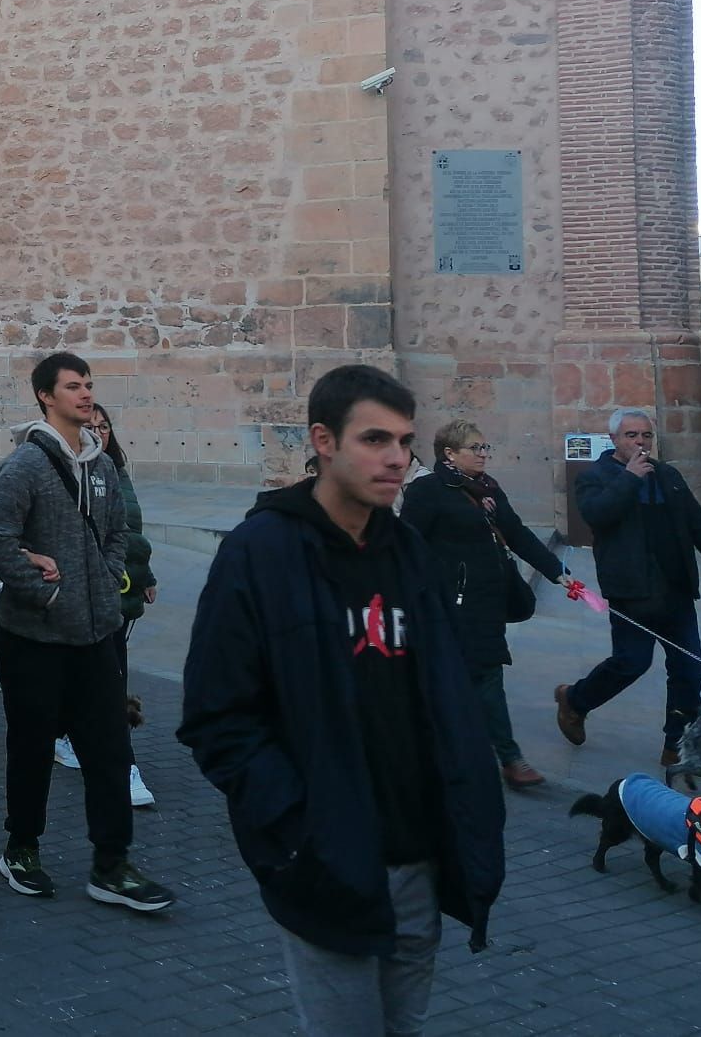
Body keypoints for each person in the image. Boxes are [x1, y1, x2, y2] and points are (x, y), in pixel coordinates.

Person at [179, 365, 503, 1037]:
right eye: (375, 439)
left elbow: (444, 695)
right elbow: (217, 716)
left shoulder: (408, 552)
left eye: (405, 441)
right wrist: (299, 828)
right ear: (323, 441)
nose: (396, 458)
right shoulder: (260, 554)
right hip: (327, 859)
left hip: (420, 857)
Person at [0, 354, 174, 913]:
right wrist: (45, 594)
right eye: (73, 386)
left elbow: (116, 534)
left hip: (95, 636)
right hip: (34, 637)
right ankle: (21, 849)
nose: (86, 394)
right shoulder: (25, 465)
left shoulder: (102, 465)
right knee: (32, 749)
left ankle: (112, 864)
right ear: (46, 396)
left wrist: (107, 583)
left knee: (108, 749)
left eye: (88, 385)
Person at [554, 406, 701, 767]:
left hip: (675, 590)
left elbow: (699, 524)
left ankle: (677, 746)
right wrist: (629, 478)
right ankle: (575, 700)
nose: (640, 442)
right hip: (631, 592)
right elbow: (597, 515)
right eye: (631, 435)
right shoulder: (595, 477)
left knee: (689, 670)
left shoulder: (668, 476)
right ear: (614, 439)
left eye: (646, 435)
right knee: (631, 663)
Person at [401, 420, 567, 790]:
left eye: (484, 447)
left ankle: (500, 756)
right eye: (474, 448)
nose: (483, 454)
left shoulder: (488, 488)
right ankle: (497, 756)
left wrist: (557, 572)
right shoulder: (428, 490)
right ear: (449, 453)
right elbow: (409, 544)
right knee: (468, 678)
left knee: (485, 673)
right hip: (449, 604)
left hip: (488, 601)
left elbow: (518, 533)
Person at [88, 402, 156, 808]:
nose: (99, 432)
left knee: (113, 675)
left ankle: (119, 760)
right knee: (104, 678)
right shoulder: (74, 470)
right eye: (91, 426)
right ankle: (119, 762)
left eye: (104, 426)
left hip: (119, 592)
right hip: (86, 595)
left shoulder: (116, 469)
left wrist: (146, 576)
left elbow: (132, 530)